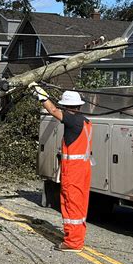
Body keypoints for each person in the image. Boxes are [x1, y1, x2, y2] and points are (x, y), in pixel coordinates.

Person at [29, 83, 92, 253]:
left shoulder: (72, 119)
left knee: (71, 203)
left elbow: (53, 111)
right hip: (83, 169)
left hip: (74, 171)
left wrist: (41, 95)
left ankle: (73, 242)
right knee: (79, 205)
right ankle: (77, 237)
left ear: (67, 107)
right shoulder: (85, 121)